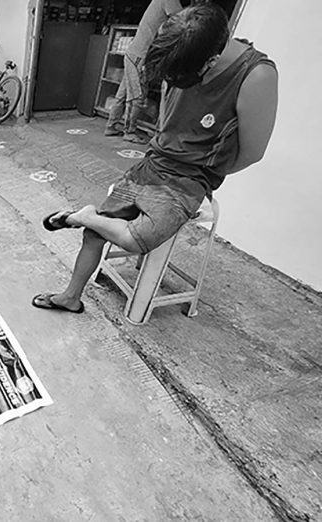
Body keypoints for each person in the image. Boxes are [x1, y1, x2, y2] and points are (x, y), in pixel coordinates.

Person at [33, 4, 278, 314]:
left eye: (179, 79)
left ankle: (83, 214)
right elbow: (169, 118)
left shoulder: (256, 75)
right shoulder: (181, 45)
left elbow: (252, 152)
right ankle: (71, 296)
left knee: (137, 239)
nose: (172, 84)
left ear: (210, 62)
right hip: (154, 163)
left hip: (191, 178)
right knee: (95, 233)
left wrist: (202, 176)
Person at [105, 0, 190, 144]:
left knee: (123, 93)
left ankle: (111, 126)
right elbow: (183, 19)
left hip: (133, 53)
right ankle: (129, 132)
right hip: (140, 56)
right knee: (136, 96)